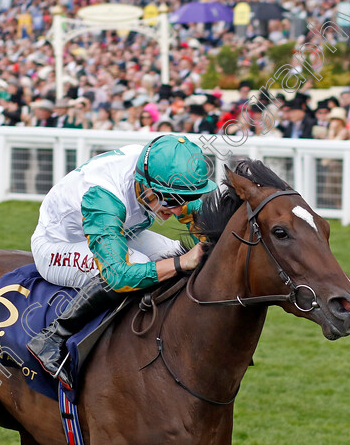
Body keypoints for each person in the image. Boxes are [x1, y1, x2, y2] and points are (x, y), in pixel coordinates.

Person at [27, 135, 217, 388]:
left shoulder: (161, 173)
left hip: (122, 230)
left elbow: (192, 210)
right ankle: (52, 337)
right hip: (57, 245)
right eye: (169, 200)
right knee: (140, 263)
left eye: (180, 199)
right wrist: (182, 263)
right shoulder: (103, 197)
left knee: (171, 250)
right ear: (144, 185)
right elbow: (119, 275)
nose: (175, 209)